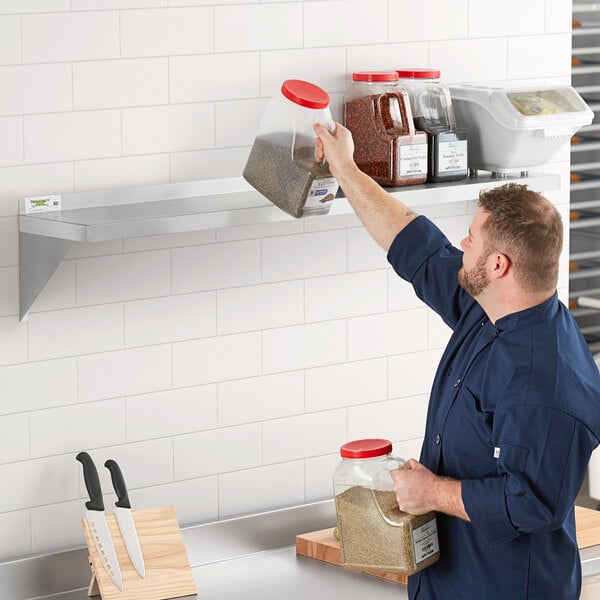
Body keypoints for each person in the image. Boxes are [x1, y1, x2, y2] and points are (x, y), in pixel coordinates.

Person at [313, 122, 600, 600]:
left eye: (471, 239)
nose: (461, 246)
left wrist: (430, 494)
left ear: (499, 265)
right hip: (447, 582)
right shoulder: (492, 307)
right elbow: (415, 247)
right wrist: (346, 167)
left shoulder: (546, 383)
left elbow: (532, 503)